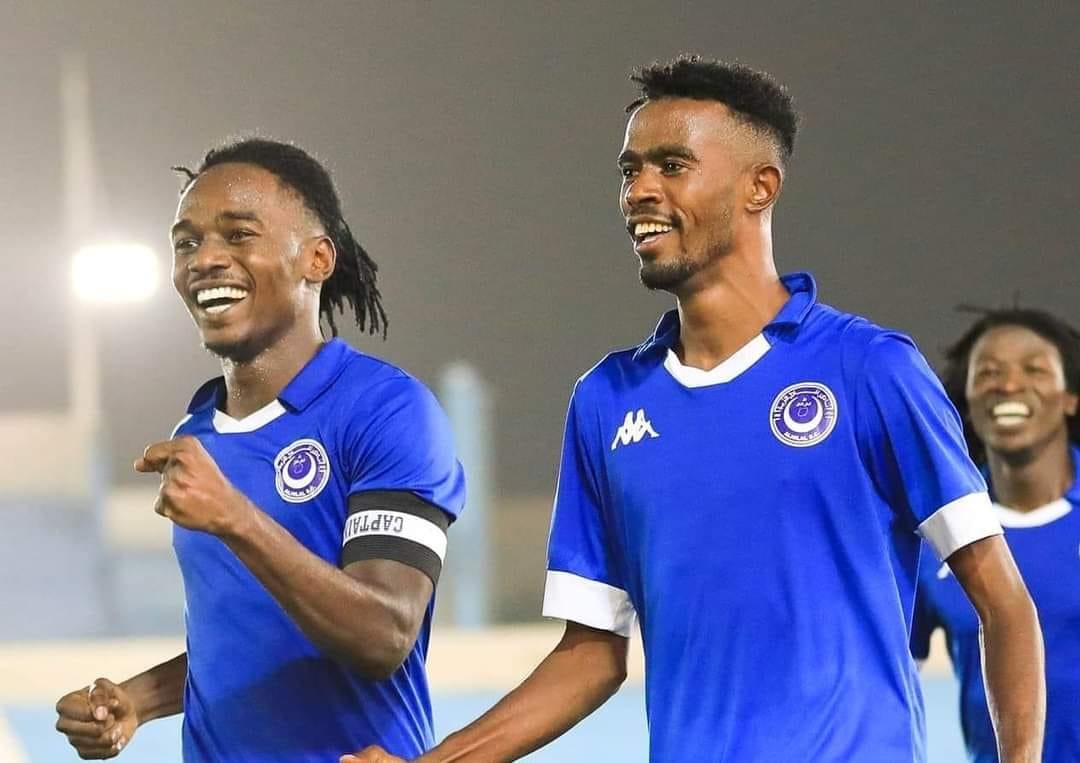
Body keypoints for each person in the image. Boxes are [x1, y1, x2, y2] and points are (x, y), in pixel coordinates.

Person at [344, 56, 1044, 763]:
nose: (639, 192)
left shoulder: (869, 368)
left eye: (672, 166)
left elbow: (1003, 600)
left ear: (759, 187)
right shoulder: (606, 401)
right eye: (630, 171)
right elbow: (591, 654)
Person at [54, 138, 466, 762]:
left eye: (238, 235)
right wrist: (139, 698)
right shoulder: (198, 431)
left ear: (317, 259)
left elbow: (384, 635)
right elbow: (247, 641)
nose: (204, 259)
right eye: (186, 243)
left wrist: (236, 518)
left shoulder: (387, 410)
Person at [912, 308, 1080, 762]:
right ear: (966, 404)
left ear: (1070, 397)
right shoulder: (934, 537)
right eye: (987, 372)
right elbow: (892, 672)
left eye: (1034, 369)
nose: (1007, 385)